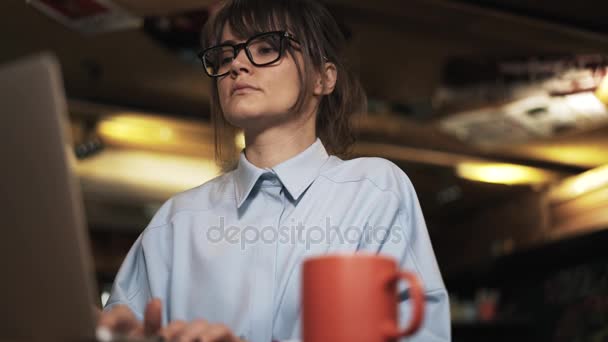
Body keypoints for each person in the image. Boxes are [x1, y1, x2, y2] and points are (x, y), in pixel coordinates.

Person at [97, 0, 450, 341]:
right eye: (224, 55)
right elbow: (114, 330)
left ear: (323, 79)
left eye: (266, 48)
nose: (236, 65)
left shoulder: (374, 191)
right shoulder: (176, 221)